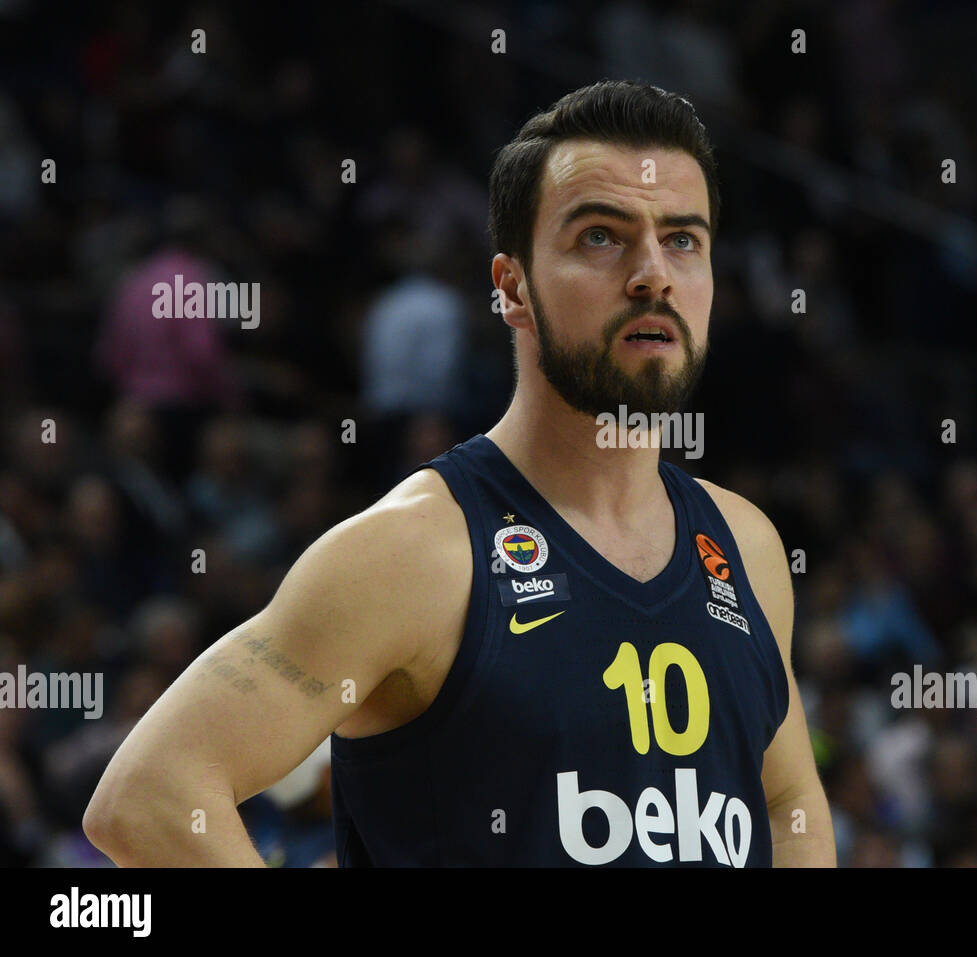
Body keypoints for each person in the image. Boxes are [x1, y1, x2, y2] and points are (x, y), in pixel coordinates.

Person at [84, 80, 835, 867]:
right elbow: (151, 794)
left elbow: (787, 804)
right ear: (511, 287)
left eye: (683, 239)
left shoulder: (745, 545)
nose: (653, 273)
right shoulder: (414, 553)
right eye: (601, 238)